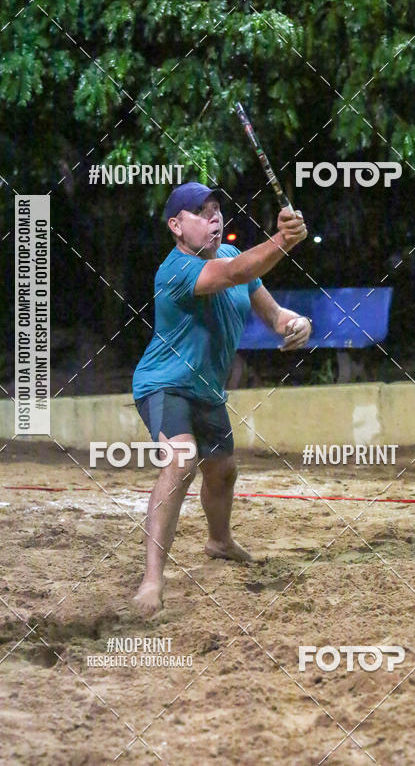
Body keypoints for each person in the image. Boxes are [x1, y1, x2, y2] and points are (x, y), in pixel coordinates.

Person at [132, 182, 310, 617]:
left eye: (216, 209)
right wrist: (283, 241)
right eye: (201, 212)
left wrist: (296, 323)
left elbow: (274, 314)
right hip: (163, 384)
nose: (214, 217)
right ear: (176, 226)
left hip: (207, 389)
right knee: (181, 462)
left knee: (223, 471)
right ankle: (152, 579)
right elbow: (232, 275)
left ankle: (219, 541)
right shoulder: (176, 270)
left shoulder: (231, 257)